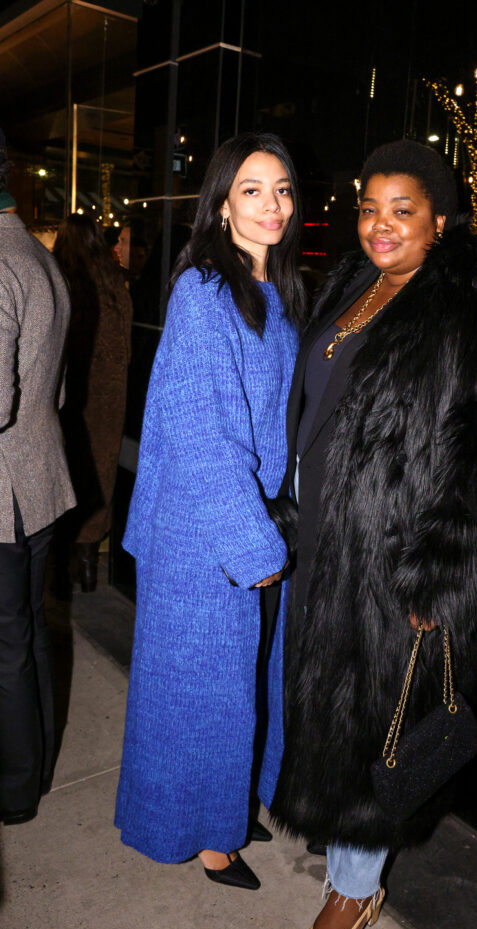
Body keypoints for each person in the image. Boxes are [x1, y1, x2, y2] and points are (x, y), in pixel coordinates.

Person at [269, 140, 477, 929]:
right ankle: (332, 829)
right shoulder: (352, 286)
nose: (380, 225)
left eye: (402, 210)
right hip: (321, 542)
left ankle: (355, 890)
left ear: (440, 219)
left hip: (397, 564)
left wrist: (443, 574)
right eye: (368, 208)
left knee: (375, 726)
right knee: (323, 704)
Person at [114, 133, 305, 889]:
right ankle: (203, 835)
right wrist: (254, 547)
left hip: (249, 521)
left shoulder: (275, 292)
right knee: (199, 695)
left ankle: (226, 805)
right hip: (203, 533)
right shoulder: (204, 292)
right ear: (222, 204)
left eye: (282, 189)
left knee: (237, 686)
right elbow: (203, 433)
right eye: (252, 190)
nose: (271, 205)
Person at [0, 129, 75, 824]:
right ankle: (32, 770)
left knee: (9, 644)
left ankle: (15, 788)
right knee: (24, 634)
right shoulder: (37, 254)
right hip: (42, 478)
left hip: (7, 495)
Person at [53, 214, 132, 591]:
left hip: (70, 393)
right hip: (110, 396)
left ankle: (59, 574)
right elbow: (125, 345)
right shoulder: (116, 281)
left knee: (65, 473)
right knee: (100, 474)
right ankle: (87, 570)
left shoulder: (59, 277)